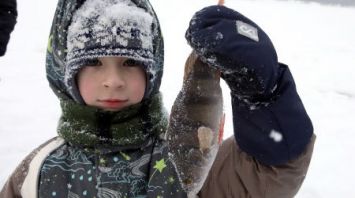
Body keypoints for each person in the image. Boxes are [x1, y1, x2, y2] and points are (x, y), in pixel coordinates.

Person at [0, 0, 315, 198]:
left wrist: (264, 96)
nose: (113, 81)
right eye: (94, 63)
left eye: (130, 63)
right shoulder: (38, 171)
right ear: (65, 70)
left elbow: (269, 172)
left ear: (152, 70)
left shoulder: (188, 156)